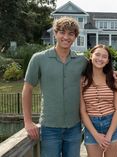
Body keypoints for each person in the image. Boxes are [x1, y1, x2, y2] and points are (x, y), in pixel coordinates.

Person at [22, 16, 88, 157]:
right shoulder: (38, 58)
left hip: (75, 127)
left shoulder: (82, 61)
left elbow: (101, 73)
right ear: (55, 33)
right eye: (62, 32)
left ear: (75, 37)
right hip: (49, 127)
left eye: (71, 34)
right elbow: (27, 89)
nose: (66, 37)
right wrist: (28, 121)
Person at [80, 44, 117, 157]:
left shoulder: (113, 79)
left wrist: (109, 135)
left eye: (104, 56)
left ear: (108, 61)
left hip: (112, 125)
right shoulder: (82, 81)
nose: (100, 59)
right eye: (97, 54)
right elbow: (83, 111)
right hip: (91, 126)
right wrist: (96, 135)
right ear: (91, 56)